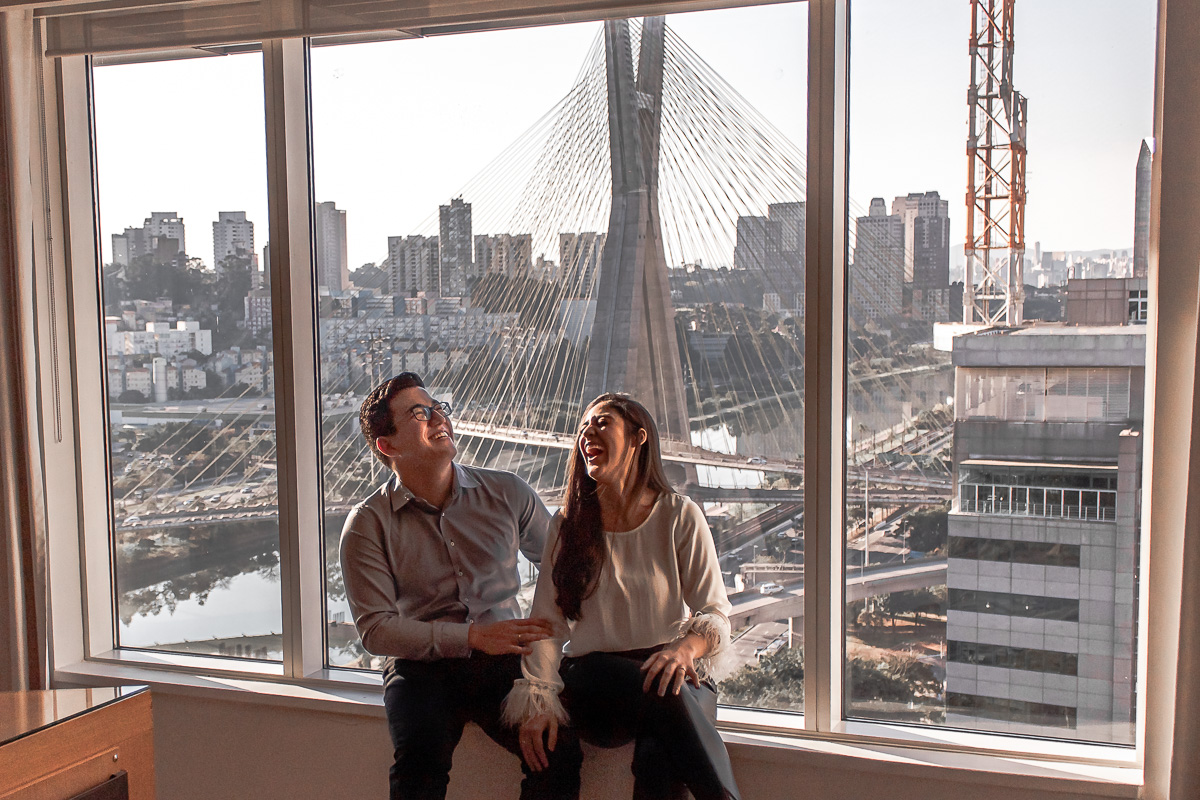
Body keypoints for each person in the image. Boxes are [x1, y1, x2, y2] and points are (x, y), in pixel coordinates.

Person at [340, 372, 583, 800]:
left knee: (557, 754)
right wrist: (472, 637)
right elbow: (376, 631)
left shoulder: (507, 492)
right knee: (418, 766)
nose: (439, 419)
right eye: (420, 413)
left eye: (438, 408)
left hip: (507, 660)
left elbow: (567, 571)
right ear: (388, 445)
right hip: (421, 667)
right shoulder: (367, 524)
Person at [501, 393, 741, 800]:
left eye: (601, 423)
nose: (587, 433)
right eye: (583, 427)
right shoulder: (569, 525)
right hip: (598, 683)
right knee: (662, 690)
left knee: (658, 759)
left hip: (670, 677)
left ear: (638, 438)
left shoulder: (679, 515)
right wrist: (539, 700)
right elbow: (547, 624)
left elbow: (715, 613)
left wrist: (684, 650)